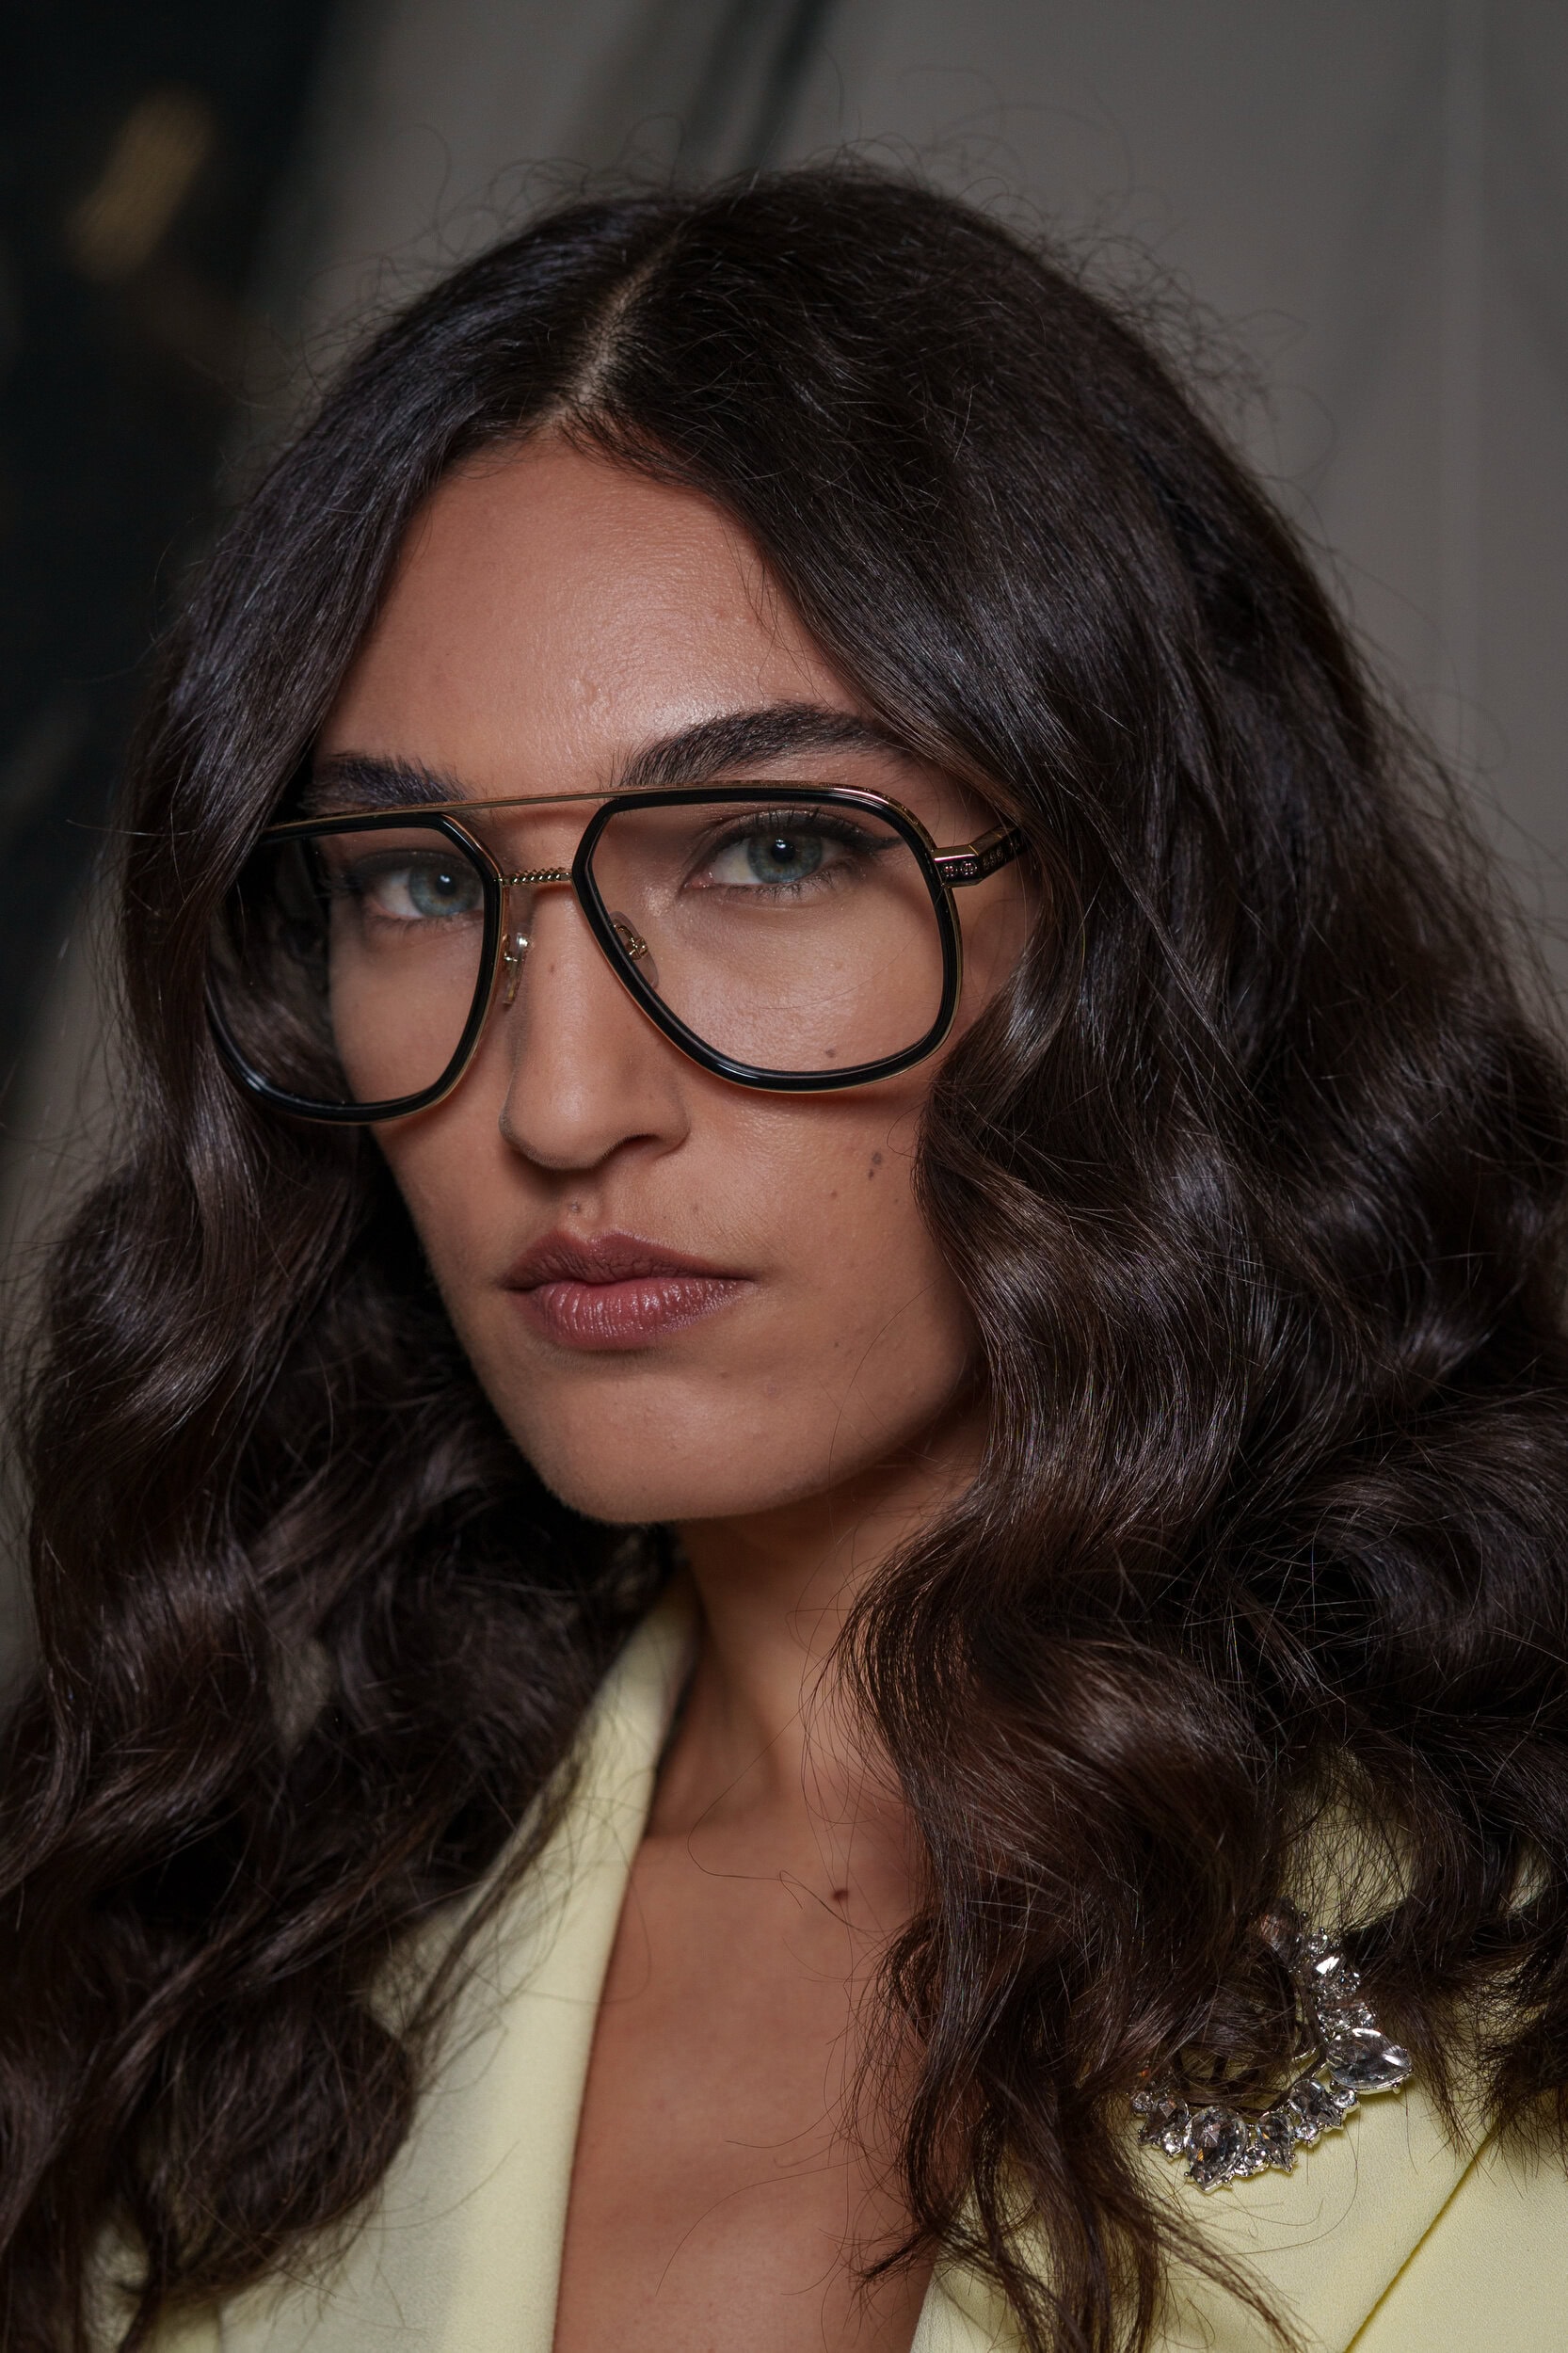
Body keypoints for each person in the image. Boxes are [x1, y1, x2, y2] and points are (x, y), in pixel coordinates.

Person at [2, 165, 1566, 2353]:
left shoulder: (1501, 1891)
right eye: (413, 880)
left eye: (767, 846)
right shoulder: (198, 1974)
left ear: (1141, 919)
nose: (558, 1100)